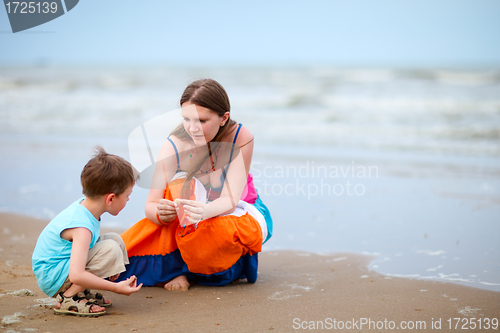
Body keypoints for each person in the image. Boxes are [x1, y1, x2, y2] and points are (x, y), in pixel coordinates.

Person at [119, 79, 273, 290]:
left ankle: (189, 272)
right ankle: (184, 270)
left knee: (212, 235)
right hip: (189, 214)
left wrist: (204, 212)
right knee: (125, 253)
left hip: (233, 210)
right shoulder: (174, 145)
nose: (192, 128)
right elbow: (151, 205)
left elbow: (230, 200)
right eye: (186, 119)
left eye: (201, 120)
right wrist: (160, 213)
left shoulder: (240, 137)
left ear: (223, 118)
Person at [32, 146, 143, 317]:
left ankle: (80, 292)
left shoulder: (86, 207)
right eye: (128, 195)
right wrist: (116, 288)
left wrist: (111, 268)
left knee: (115, 240)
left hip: (60, 266)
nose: (128, 199)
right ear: (111, 198)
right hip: (52, 276)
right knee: (110, 250)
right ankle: (69, 297)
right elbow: (76, 275)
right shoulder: (81, 227)